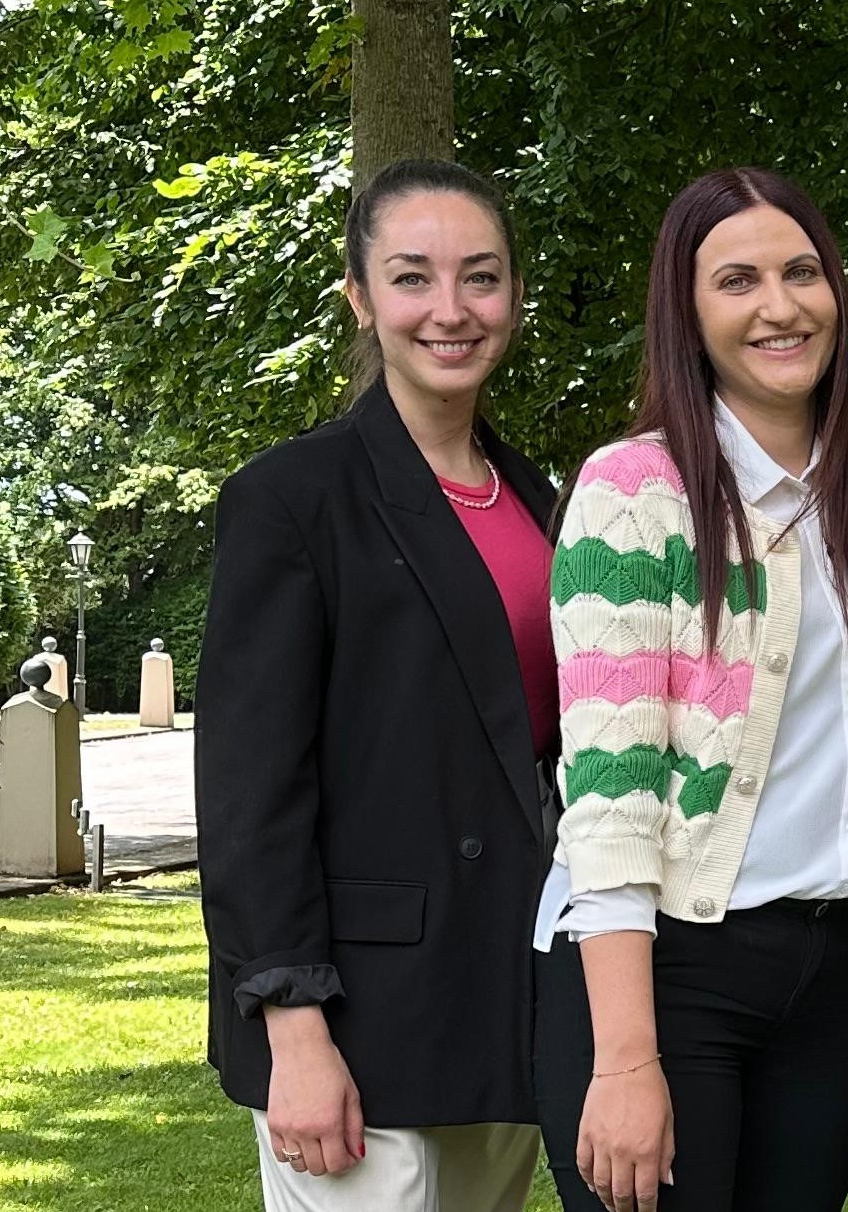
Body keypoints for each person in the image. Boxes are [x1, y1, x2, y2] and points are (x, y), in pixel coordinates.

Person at [531, 168, 848, 1212]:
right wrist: (625, 1062)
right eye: (738, 279)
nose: (780, 304)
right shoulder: (633, 492)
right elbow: (612, 788)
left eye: (803, 272)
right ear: (689, 309)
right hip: (663, 970)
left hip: (841, 971)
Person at [197, 157, 559, 1210]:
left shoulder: (547, 498)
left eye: (481, 277)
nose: (451, 309)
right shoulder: (291, 498)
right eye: (412, 277)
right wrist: (292, 1024)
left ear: (514, 293)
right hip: (352, 1016)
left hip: (505, 993)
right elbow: (249, 790)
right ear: (360, 295)